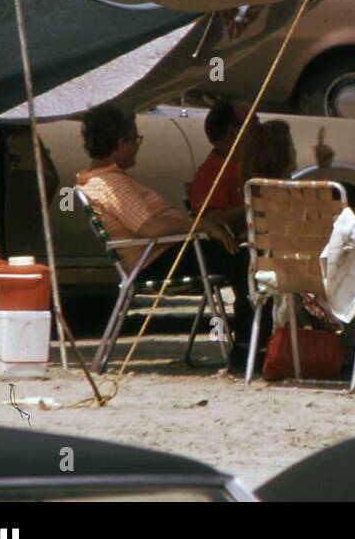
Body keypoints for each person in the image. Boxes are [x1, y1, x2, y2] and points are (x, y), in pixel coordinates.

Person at [75, 104, 259, 370]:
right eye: (135, 139)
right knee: (246, 263)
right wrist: (201, 226)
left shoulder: (107, 180)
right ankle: (247, 349)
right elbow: (149, 228)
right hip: (156, 261)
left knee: (242, 258)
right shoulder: (110, 184)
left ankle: (250, 345)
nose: (138, 146)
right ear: (120, 144)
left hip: (163, 254)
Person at [188, 100, 255, 232]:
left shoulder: (254, 164)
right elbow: (212, 221)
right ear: (234, 131)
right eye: (253, 123)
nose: (260, 129)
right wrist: (258, 204)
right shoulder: (209, 175)